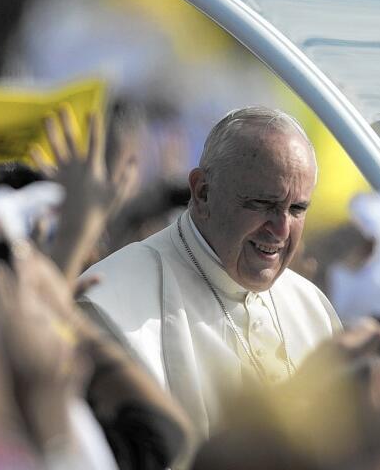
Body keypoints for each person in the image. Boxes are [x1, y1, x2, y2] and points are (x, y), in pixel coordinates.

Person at [79, 107, 342, 442]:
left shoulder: (312, 307)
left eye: (297, 209)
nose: (280, 229)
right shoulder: (109, 304)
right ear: (202, 192)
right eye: (263, 204)